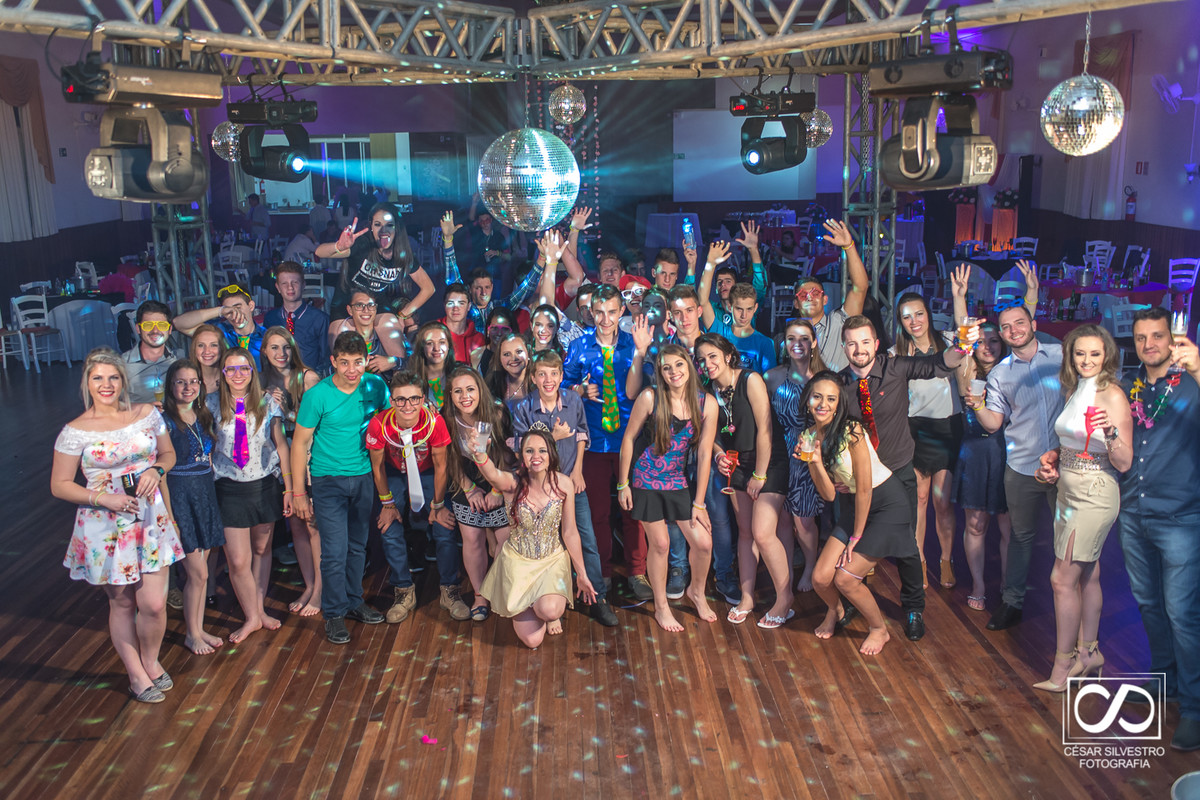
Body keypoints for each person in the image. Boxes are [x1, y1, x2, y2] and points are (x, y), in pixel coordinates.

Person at [50, 349, 184, 703]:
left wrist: (157, 471)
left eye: (112, 377)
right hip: (104, 525)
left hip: (149, 518)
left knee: (155, 604)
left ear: (123, 380)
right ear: (87, 384)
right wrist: (103, 498)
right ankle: (136, 675)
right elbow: (60, 484)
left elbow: (167, 455)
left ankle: (151, 660)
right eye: (98, 379)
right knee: (123, 603)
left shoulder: (146, 414)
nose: (106, 385)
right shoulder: (74, 431)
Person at [838, 314, 978, 641]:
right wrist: (835, 476)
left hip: (898, 473)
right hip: (859, 480)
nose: (859, 349)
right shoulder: (839, 383)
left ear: (876, 343)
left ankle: (913, 607)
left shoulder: (895, 367)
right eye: (852, 343)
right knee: (850, 542)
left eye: (865, 341)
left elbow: (939, 364)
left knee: (907, 545)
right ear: (844, 347)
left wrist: (961, 343)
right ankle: (851, 601)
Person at [1028, 324, 1132, 693]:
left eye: (1095, 354)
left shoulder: (1113, 396)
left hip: (1096, 494)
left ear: (1107, 356)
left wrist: (1112, 434)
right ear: (1071, 356)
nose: (1087, 360)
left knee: (1061, 579)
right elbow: (1071, 440)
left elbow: (1123, 462)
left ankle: (1065, 663)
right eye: (1080, 353)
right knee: (1088, 575)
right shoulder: (1073, 390)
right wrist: (1053, 457)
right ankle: (1090, 653)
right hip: (1067, 492)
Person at [1117, 307, 1200, 751]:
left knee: (1183, 614)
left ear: (1172, 340)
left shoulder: (1191, 385)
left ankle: (1195, 707)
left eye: (1157, 336)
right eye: (1142, 338)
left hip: (1182, 516)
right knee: (1149, 604)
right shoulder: (1134, 387)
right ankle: (1164, 680)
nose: (1150, 344)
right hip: (1135, 512)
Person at [966, 301, 1063, 631]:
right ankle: (1013, 602)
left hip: (1066, 464)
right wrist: (977, 404)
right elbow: (993, 423)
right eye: (1006, 327)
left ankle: (1070, 599)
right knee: (1021, 537)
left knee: (1067, 536)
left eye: (1019, 323)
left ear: (1033, 323)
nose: (1013, 331)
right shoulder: (1000, 373)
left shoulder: (1061, 356)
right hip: (1021, 465)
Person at [803, 372, 915, 655]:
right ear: (808, 401)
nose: (823, 404)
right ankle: (835, 610)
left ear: (839, 404)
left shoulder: (852, 430)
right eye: (817, 396)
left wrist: (856, 537)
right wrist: (815, 462)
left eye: (831, 399)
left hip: (885, 502)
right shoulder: (809, 437)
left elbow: (864, 488)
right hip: (854, 504)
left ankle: (879, 629)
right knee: (820, 578)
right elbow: (828, 494)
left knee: (845, 578)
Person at [291, 332, 389, 644]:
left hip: (363, 477)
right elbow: (299, 444)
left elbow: (388, 423)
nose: (351, 369)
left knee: (358, 546)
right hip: (327, 479)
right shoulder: (317, 395)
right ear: (333, 361)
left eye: (357, 362)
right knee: (334, 551)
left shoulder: (375, 386)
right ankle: (333, 613)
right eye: (344, 362)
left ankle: (354, 601)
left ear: (366, 359)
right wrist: (298, 493)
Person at [617, 343, 719, 632]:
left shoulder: (705, 403)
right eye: (667, 367)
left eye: (679, 365)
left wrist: (699, 503)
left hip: (676, 479)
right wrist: (623, 483)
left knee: (703, 543)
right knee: (660, 544)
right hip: (645, 479)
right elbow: (629, 439)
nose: (674, 372)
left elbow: (703, 454)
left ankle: (696, 592)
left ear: (689, 366)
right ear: (660, 373)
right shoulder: (650, 397)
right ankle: (661, 607)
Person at [511, 350, 617, 627]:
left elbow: (582, 433)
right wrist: (551, 437)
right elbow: (521, 450)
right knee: (545, 544)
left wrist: (579, 470)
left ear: (561, 376)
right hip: (538, 489)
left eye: (554, 374)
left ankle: (597, 598)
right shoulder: (523, 408)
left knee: (586, 539)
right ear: (533, 377)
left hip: (570, 484)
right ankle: (547, 596)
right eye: (542, 374)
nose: (549, 380)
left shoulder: (572, 400)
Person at [697, 334, 794, 628]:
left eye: (712, 356)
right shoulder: (707, 391)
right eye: (701, 359)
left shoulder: (750, 379)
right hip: (736, 464)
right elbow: (709, 437)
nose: (707, 363)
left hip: (769, 461)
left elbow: (765, 429)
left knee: (763, 533)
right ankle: (748, 597)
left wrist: (760, 474)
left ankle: (785, 599)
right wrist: (717, 456)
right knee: (745, 533)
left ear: (728, 355)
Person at [469, 429, 597, 648]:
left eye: (542, 451)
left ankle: (548, 609)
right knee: (532, 641)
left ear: (551, 455)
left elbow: (570, 532)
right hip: (518, 563)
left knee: (550, 610)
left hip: (551, 562)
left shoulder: (564, 484)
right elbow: (492, 474)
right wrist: (480, 454)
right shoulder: (513, 484)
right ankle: (528, 601)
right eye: (529, 451)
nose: (535, 456)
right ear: (522, 456)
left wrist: (582, 574)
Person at [366, 372, 468, 623]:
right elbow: (377, 467)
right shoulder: (379, 424)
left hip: (427, 472)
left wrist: (438, 505)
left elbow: (441, 466)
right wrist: (388, 504)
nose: (407, 406)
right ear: (392, 401)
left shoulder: (435, 422)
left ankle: (449, 590)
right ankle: (403, 590)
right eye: (400, 400)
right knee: (388, 526)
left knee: (444, 525)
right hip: (393, 474)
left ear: (423, 399)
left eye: (413, 399)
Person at [208, 348, 292, 644]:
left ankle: (258, 612)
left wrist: (290, 488)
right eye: (231, 369)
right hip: (229, 488)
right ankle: (251, 616)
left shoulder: (268, 402)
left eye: (243, 368)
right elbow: (207, 448)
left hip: (264, 485)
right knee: (238, 561)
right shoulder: (209, 405)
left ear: (252, 371)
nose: (238, 374)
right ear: (222, 374)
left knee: (262, 550)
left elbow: (280, 444)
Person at [563, 284, 639, 603]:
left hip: (629, 441)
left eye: (612, 311)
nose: (605, 318)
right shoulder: (579, 347)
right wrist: (580, 390)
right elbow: (564, 388)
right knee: (597, 513)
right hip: (592, 443)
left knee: (633, 510)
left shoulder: (635, 345)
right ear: (590, 312)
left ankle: (638, 572)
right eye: (599, 312)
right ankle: (602, 573)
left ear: (621, 311)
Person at [889, 292, 963, 590]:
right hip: (915, 429)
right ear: (900, 322)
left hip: (947, 428)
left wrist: (957, 297)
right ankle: (918, 559)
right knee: (918, 500)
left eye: (918, 314)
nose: (914, 321)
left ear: (928, 315)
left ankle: (946, 560)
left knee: (942, 502)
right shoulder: (897, 352)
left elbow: (966, 332)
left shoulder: (946, 340)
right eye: (907, 316)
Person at [160, 359, 226, 654]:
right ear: (171, 386)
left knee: (203, 574)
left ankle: (197, 630)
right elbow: (159, 471)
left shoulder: (204, 414)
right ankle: (191, 633)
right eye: (181, 382)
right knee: (196, 573)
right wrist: (170, 515)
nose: (188, 387)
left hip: (205, 493)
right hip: (179, 496)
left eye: (193, 382)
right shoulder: (163, 421)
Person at [442, 365, 514, 621]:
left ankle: (505, 590)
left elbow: (507, 455)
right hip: (464, 479)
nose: (465, 396)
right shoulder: (446, 419)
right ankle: (480, 595)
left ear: (480, 390)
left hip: (498, 476)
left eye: (470, 389)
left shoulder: (497, 412)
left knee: (506, 540)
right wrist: (469, 489)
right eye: (458, 391)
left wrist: (496, 489)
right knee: (472, 539)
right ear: (450, 395)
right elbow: (448, 459)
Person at [260, 326, 323, 616]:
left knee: (312, 524)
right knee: (295, 523)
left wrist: (285, 411)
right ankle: (309, 585)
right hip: (277, 463)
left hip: (308, 461)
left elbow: (319, 424)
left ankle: (321, 590)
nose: (281, 354)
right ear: (264, 351)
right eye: (274, 348)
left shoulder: (308, 378)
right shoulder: (259, 381)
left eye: (286, 347)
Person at [952, 322, 1011, 612]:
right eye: (982, 341)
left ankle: (1007, 583)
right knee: (975, 525)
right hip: (975, 452)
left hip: (1008, 453)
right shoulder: (966, 370)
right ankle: (978, 584)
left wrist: (1032, 297)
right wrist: (959, 299)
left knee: (1008, 527)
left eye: (995, 341)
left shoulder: (1013, 371)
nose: (987, 347)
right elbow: (964, 335)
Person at [765, 319, 827, 592]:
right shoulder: (772, 376)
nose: (797, 344)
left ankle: (811, 566)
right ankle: (786, 570)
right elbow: (763, 421)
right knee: (783, 520)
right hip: (780, 454)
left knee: (804, 522)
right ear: (784, 343)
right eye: (791, 338)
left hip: (810, 455)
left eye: (803, 338)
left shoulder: (825, 378)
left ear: (813, 342)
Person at [318, 203, 435, 328]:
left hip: (377, 305)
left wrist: (403, 314)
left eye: (389, 225)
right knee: (346, 345)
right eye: (378, 224)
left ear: (397, 227)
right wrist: (338, 246)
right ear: (372, 227)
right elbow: (319, 252)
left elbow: (428, 288)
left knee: (395, 343)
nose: (383, 230)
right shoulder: (363, 244)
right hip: (347, 305)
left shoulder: (403, 255)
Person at [793, 220, 869, 372]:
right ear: (796, 303)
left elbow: (860, 287)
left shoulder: (838, 323)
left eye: (815, 293)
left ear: (825, 299)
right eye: (803, 294)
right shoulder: (790, 336)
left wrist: (849, 246)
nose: (809, 297)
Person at [174, 285, 266, 368]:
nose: (234, 314)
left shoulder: (266, 337)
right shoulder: (219, 332)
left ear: (251, 306)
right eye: (229, 311)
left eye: (237, 308)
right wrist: (220, 311)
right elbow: (178, 323)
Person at [264, 261, 330, 371]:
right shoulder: (271, 318)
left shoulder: (320, 319)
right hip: (277, 379)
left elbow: (325, 358)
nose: (290, 287)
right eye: (284, 283)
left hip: (308, 380)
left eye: (295, 282)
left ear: (303, 285)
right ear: (278, 287)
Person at [702, 281, 776, 373]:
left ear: (755, 308)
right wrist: (710, 266)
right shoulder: (720, 332)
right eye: (739, 309)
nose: (744, 315)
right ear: (730, 307)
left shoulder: (765, 343)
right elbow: (703, 301)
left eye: (749, 309)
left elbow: (770, 381)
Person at [327, 290, 407, 375]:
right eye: (359, 305)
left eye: (371, 305)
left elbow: (413, 361)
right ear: (350, 310)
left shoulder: (386, 339)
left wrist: (394, 362)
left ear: (376, 309)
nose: (366, 310)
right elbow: (331, 369)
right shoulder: (344, 340)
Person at [122, 300, 178, 404]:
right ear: (138, 329)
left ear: (169, 330)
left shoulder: (177, 362)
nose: (155, 330)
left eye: (162, 325)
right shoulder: (122, 365)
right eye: (148, 325)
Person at [410, 322, 455, 409]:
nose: (436, 348)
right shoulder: (411, 379)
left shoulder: (460, 373)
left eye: (442, 342)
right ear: (422, 347)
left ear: (449, 345)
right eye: (430, 343)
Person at [441, 282, 486, 367]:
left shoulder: (479, 339)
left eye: (461, 303)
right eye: (450, 303)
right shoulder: (433, 333)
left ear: (469, 306)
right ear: (444, 305)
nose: (455, 308)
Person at [486, 332, 530, 412]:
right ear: (499, 358)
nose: (514, 358)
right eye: (506, 354)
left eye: (519, 352)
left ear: (528, 353)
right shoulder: (492, 384)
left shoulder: (540, 382)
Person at [190, 324, 226, 395]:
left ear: (222, 348)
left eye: (213, 345)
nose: (207, 351)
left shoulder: (232, 379)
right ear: (194, 349)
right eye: (201, 345)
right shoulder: (187, 381)